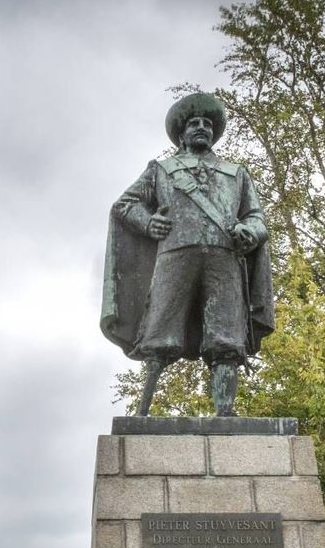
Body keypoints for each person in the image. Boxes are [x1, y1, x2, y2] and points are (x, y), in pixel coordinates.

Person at [101, 92, 274, 417]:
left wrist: (250, 232)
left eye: (207, 124)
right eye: (194, 123)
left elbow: (257, 217)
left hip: (224, 260)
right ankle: (142, 413)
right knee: (159, 334)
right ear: (181, 133)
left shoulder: (235, 173)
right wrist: (149, 221)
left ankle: (226, 413)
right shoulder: (162, 170)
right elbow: (124, 205)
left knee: (225, 339)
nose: (201, 128)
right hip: (175, 256)